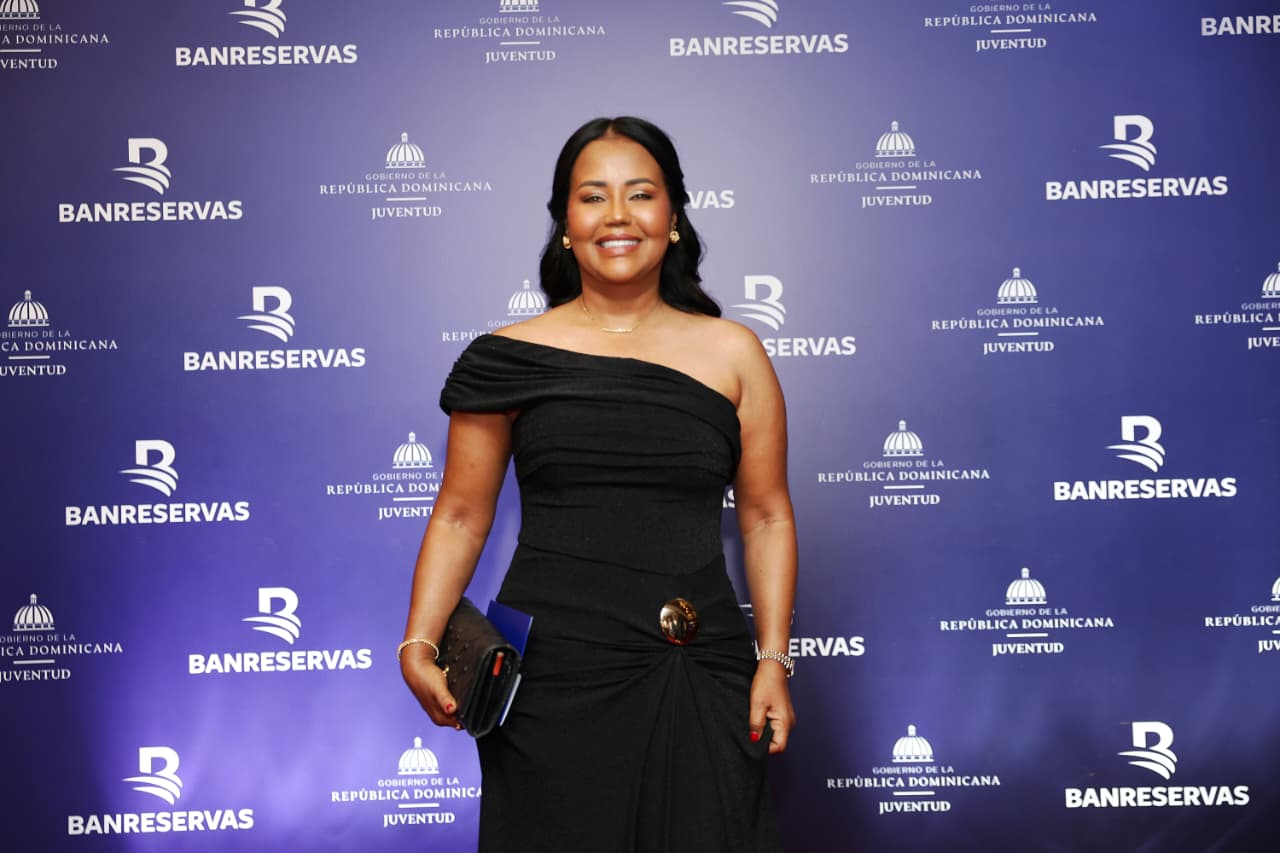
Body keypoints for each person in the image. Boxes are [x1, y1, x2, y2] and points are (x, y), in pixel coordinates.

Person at [400, 116, 798, 852]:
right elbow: (459, 515)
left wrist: (772, 659)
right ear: (565, 225)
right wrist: (419, 640)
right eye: (592, 197)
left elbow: (767, 516)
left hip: (696, 666)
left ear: (673, 218)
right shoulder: (504, 358)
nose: (617, 215)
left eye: (640, 194)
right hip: (550, 680)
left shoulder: (735, 353)